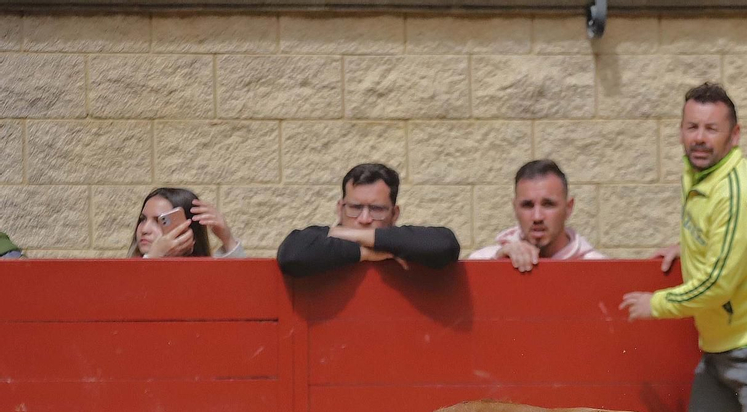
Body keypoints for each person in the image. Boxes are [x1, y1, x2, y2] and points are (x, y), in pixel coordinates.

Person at [619, 83, 747, 412]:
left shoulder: (734, 191)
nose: (700, 138)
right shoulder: (699, 173)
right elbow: (722, 237)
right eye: (692, 127)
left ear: (734, 135)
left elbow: (718, 283)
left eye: (711, 129)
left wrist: (656, 304)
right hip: (722, 348)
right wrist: (687, 247)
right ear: (680, 131)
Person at [276, 163, 460, 277]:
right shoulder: (315, 241)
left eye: (376, 209)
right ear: (340, 208)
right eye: (355, 208)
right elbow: (292, 255)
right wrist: (365, 253)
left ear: (395, 213)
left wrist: (348, 234)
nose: (364, 219)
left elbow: (444, 245)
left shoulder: (408, 243)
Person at [468, 159, 605, 269]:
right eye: (527, 205)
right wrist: (497, 266)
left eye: (548, 204)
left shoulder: (599, 269)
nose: (537, 217)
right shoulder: (483, 261)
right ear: (515, 208)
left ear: (568, 208)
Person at [129, 187, 243, 258]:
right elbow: (133, 288)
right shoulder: (126, 273)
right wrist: (153, 257)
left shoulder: (203, 275)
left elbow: (242, 285)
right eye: (143, 219)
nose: (145, 230)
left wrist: (228, 240)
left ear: (187, 231)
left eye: (159, 221)